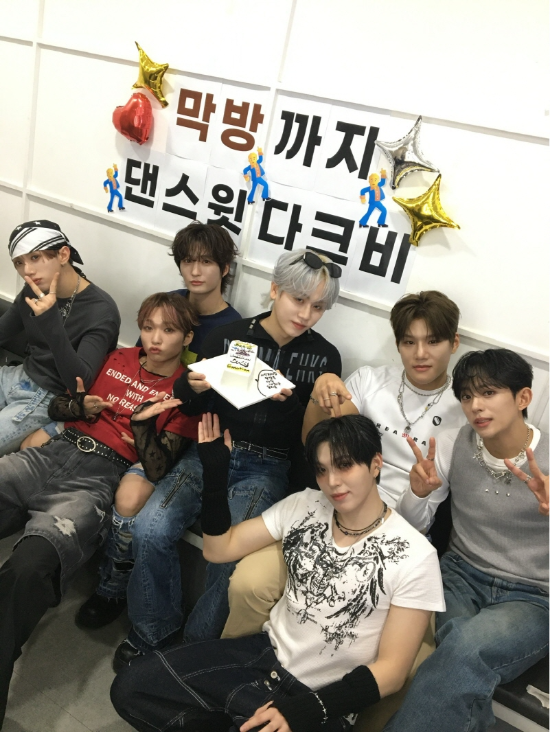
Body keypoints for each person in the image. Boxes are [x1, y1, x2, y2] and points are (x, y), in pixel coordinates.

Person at [110, 412, 445, 732]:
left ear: (375, 464)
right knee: (131, 688)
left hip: (320, 698)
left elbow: (392, 672)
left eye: (345, 465)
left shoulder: (416, 554)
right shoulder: (305, 503)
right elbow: (218, 549)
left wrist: (306, 710)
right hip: (261, 658)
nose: (332, 482)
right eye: (322, 469)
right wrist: (215, 477)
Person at [106, 248, 342, 669]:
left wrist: (291, 406)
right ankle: (152, 631)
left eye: (319, 307)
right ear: (275, 290)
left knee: (228, 558)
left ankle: (193, 649)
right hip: (207, 450)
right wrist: (191, 387)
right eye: (298, 299)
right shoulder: (230, 337)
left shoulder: (324, 358)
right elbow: (189, 404)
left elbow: (309, 440)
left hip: (268, 466)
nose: (306, 314)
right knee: (149, 527)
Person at [0, 292, 200, 729]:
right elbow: (58, 405)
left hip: (97, 478)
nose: (155, 339)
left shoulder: (186, 389)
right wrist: (79, 406)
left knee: (30, 566)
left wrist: (142, 427)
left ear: (187, 337)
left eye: (168, 330)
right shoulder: (116, 359)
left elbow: (159, 466)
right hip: (55, 451)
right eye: (148, 327)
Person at [222, 290, 465, 641]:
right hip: (332, 513)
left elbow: (416, 524)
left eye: (433, 341)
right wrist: (321, 390)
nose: (420, 354)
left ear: (454, 343)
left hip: (396, 532)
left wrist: (417, 492)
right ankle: (232, 662)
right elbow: (314, 441)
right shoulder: (370, 381)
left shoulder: (465, 412)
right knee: (248, 582)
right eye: (409, 342)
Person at [74, 221, 241, 629]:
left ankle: (113, 587)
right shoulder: (170, 303)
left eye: (206, 262)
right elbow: (138, 367)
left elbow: (223, 403)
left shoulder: (233, 329)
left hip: (190, 435)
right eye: (187, 261)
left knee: (137, 502)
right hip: (143, 422)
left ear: (225, 268)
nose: (195, 271)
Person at [384, 348, 550, 732]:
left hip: (532, 595)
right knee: (462, 655)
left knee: (462, 648)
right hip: (458, 575)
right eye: (467, 396)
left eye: (489, 392)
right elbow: (412, 529)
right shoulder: (450, 444)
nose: (475, 406)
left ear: (523, 397)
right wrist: (418, 494)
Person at [0, 219, 120, 455]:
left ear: (63, 255)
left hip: (50, 396)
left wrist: (51, 323)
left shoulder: (101, 310)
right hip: (18, 375)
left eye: (35, 257)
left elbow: (79, 383)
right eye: (19, 263)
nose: (27, 270)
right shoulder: (34, 289)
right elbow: (3, 331)